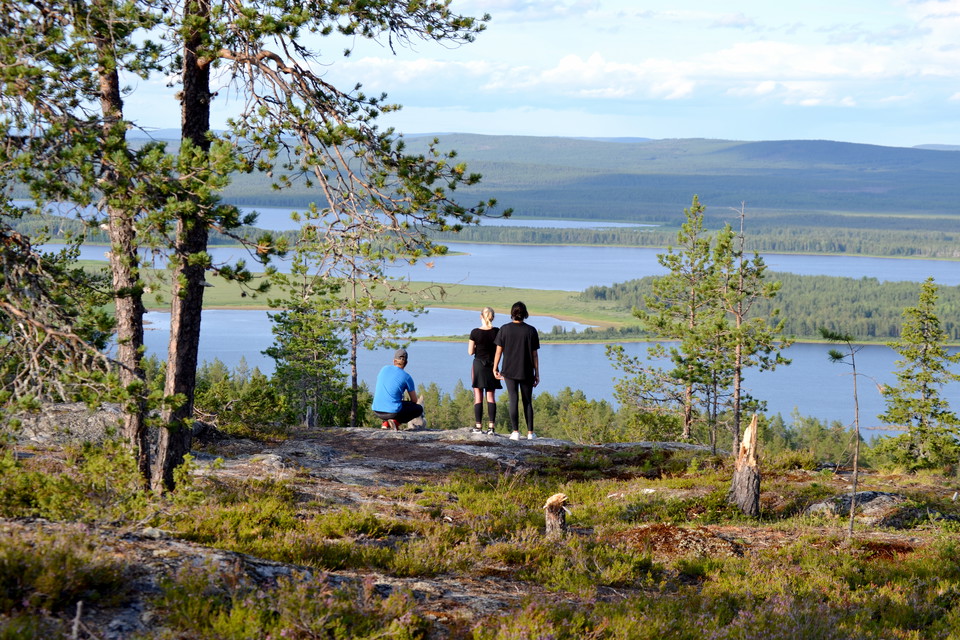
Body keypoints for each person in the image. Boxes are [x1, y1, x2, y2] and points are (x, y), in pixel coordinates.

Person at [493, 301, 540, 441]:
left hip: (509, 370)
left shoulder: (504, 329)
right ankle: (530, 433)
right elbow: (534, 354)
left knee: (513, 399)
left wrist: (495, 368)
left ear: (512, 314)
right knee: (527, 401)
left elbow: (498, 352)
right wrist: (537, 373)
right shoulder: (531, 330)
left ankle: (515, 432)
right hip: (526, 371)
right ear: (525, 314)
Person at [467, 306, 502, 435]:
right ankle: (491, 427)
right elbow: (500, 350)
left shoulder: (475, 332)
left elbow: (470, 352)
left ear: (481, 316)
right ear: (493, 317)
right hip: (493, 365)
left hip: (478, 366)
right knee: (491, 396)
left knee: (478, 396)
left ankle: (478, 426)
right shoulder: (497, 331)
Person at [372, 348, 423, 430]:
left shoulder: (383, 369)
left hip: (377, 410)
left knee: (395, 402)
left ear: (393, 361)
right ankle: (395, 422)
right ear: (406, 363)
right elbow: (414, 400)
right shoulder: (407, 377)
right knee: (418, 409)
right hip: (392, 413)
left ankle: (385, 422)